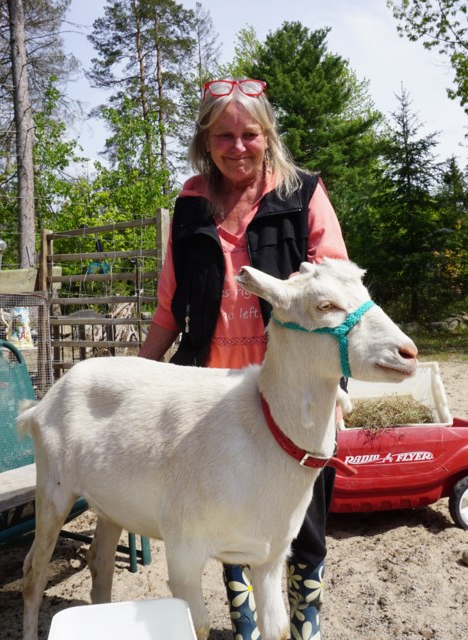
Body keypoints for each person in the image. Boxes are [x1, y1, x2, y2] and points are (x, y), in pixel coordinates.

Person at [138, 77, 348, 639]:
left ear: (268, 134)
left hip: (292, 391)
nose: (237, 147)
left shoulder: (302, 194)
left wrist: (340, 387)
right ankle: (249, 628)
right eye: (223, 135)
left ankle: (305, 627)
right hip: (210, 393)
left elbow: (339, 303)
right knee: (226, 521)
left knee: (301, 524)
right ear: (205, 140)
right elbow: (167, 308)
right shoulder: (189, 203)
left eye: (249, 134)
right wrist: (139, 377)